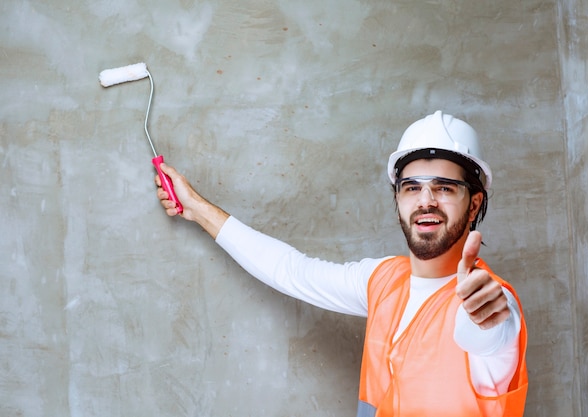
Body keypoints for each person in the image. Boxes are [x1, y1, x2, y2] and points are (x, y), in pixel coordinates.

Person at [155, 110, 528, 416]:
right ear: (398, 199)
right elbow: (289, 270)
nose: (425, 200)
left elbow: (487, 333)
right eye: (411, 187)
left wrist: (487, 318)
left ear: (475, 203)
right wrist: (198, 209)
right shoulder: (383, 281)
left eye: (444, 188)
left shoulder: (494, 304)